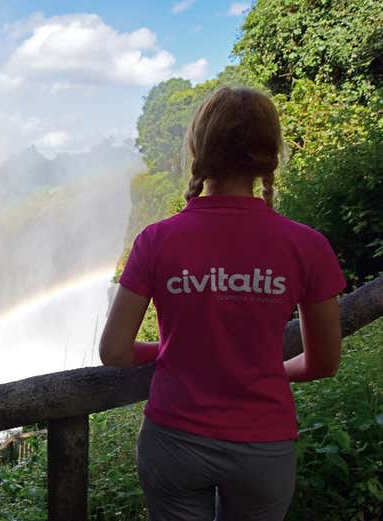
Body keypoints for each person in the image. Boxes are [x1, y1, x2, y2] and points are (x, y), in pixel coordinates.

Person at [99, 86, 345, 521]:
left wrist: (170, 353)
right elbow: (323, 362)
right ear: (269, 156)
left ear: (198, 150)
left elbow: (114, 351)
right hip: (263, 448)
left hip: (173, 440)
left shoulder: (156, 240)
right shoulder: (307, 245)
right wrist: (268, 368)